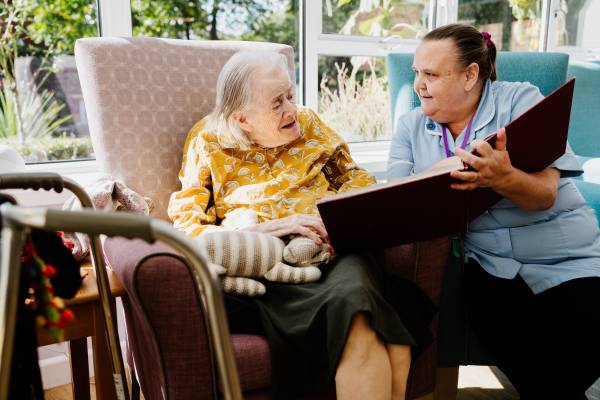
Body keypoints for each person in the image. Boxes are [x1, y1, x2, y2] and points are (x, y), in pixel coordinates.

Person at [168, 50, 434, 400]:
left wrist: (335, 215)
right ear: (242, 118)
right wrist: (261, 231)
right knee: (379, 333)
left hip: (332, 251)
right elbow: (187, 224)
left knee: (354, 299)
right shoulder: (207, 140)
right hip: (267, 266)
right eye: (277, 103)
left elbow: (357, 180)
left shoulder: (309, 124)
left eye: (290, 95)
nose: (292, 110)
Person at [388, 23, 600, 399]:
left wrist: (503, 178)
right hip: (491, 266)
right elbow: (395, 199)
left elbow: (545, 195)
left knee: (579, 342)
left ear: (471, 75)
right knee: (529, 355)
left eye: (431, 74)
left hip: (567, 257)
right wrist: (454, 170)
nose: (419, 84)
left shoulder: (521, 101)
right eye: (416, 73)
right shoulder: (410, 126)